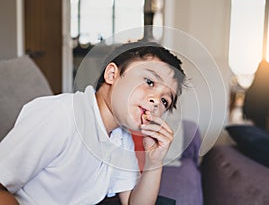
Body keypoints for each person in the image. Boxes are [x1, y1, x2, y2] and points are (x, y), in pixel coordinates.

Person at [0, 41, 186, 205]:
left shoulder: (121, 139)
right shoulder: (62, 115)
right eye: (149, 81)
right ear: (112, 74)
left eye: (165, 101)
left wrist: (154, 162)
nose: (155, 100)